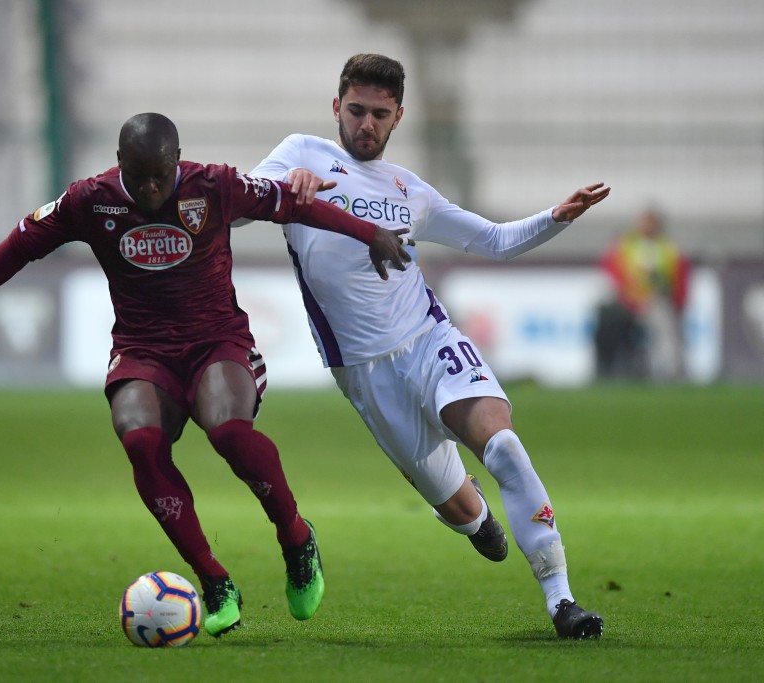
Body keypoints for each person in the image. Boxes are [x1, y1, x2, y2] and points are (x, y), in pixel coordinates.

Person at [0, 112, 412, 637]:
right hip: (142, 351)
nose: (150, 187)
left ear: (178, 160)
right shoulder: (89, 200)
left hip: (217, 343)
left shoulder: (214, 185)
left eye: (160, 174)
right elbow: (18, 246)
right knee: (140, 440)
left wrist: (369, 232)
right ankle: (215, 580)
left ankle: (295, 537)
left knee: (228, 431)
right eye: (138, 174)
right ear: (119, 162)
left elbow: (291, 203)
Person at [248, 54, 610, 639]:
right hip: (364, 372)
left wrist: (555, 217)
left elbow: (491, 239)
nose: (367, 124)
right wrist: (279, 192)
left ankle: (562, 600)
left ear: (398, 119)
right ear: (337, 107)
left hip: (429, 339)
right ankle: (476, 517)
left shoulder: (407, 189)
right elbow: (237, 205)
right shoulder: (301, 154)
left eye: (380, 115)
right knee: (462, 512)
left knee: (505, 447)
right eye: (358, 110)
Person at [597, 208, 689, 381]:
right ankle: (607, 370)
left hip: (654, 300)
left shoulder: (668, 247)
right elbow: (610, 272)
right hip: (627, 301)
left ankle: (670, 373)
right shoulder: (626, 245)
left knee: (665, 328)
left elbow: (678, 276)